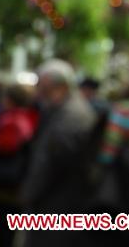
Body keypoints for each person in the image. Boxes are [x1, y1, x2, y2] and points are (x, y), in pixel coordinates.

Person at [21, 59, 97, 247]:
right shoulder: (67, 110)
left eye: (43, 88)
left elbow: (49, 164)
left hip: (58, 205)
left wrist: (29, 193)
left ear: (60, 87)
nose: (38, 93)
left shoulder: (71, 117)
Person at [0, 83, 39, 247]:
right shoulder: (27, 116)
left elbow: (6, 145)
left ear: (10, 100)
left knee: (1, 228)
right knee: (5, 228)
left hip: (6, 184)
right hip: (12, 183)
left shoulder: (14, 119)